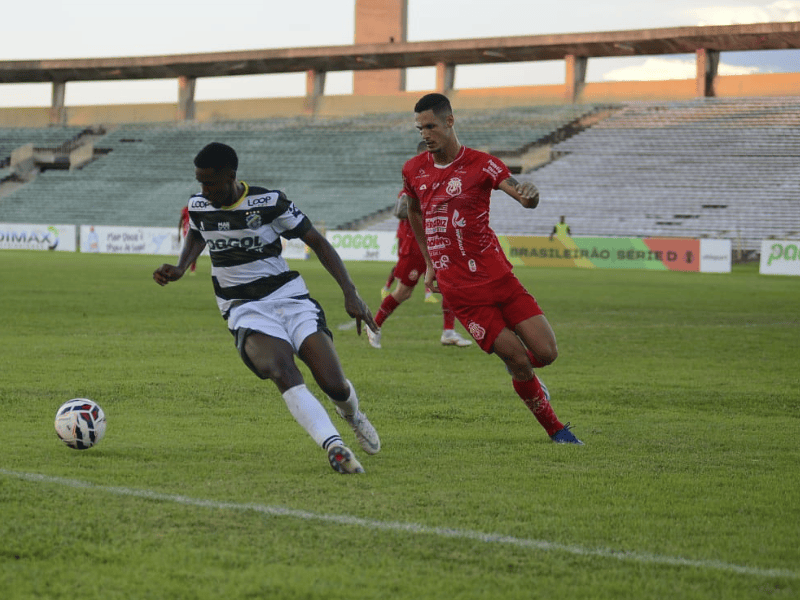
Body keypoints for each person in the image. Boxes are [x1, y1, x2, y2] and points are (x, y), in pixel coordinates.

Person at [153, 142, 382, 474]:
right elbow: (198, 233)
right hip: (244, 307)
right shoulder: (200, 205)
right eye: (200, 183)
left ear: (230, 176)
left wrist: (350, 292)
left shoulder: (269, 202)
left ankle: (353, 417)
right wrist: (180, 266)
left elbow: (317, 241)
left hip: (291, 300)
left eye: (210, 183)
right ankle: (334, 446)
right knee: (280, 369)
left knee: (334, 384)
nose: (204, 191)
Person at [403, 93, 583, 445]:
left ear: (450, 121)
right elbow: (414, 212)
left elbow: (521, 195)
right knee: (518, 359)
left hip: (500, 278)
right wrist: (429, 262)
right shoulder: (413, 170)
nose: (425, 133)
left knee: (546, 354)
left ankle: (523, 374)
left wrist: (530, 195)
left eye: (431, 126)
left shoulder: (483, 164)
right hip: (462, 292)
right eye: (420, 128)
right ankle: (556, 430)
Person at [368, 141, 472, 350]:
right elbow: (400, 210)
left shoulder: (439, 180)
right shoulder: (414, 182)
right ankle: (374, 325)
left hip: (437, 244)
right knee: (404, 292)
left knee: (450, 285)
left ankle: (448, 332)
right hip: (415, 246)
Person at [178, 205, 197, 273]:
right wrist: (179, 234)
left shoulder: (196, 210)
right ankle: (185, 266)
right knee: (188, 249)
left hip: (194, 231)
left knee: (193, 249)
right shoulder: (185, 210)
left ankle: (192, 266)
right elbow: (180, 221)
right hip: (186, 231)